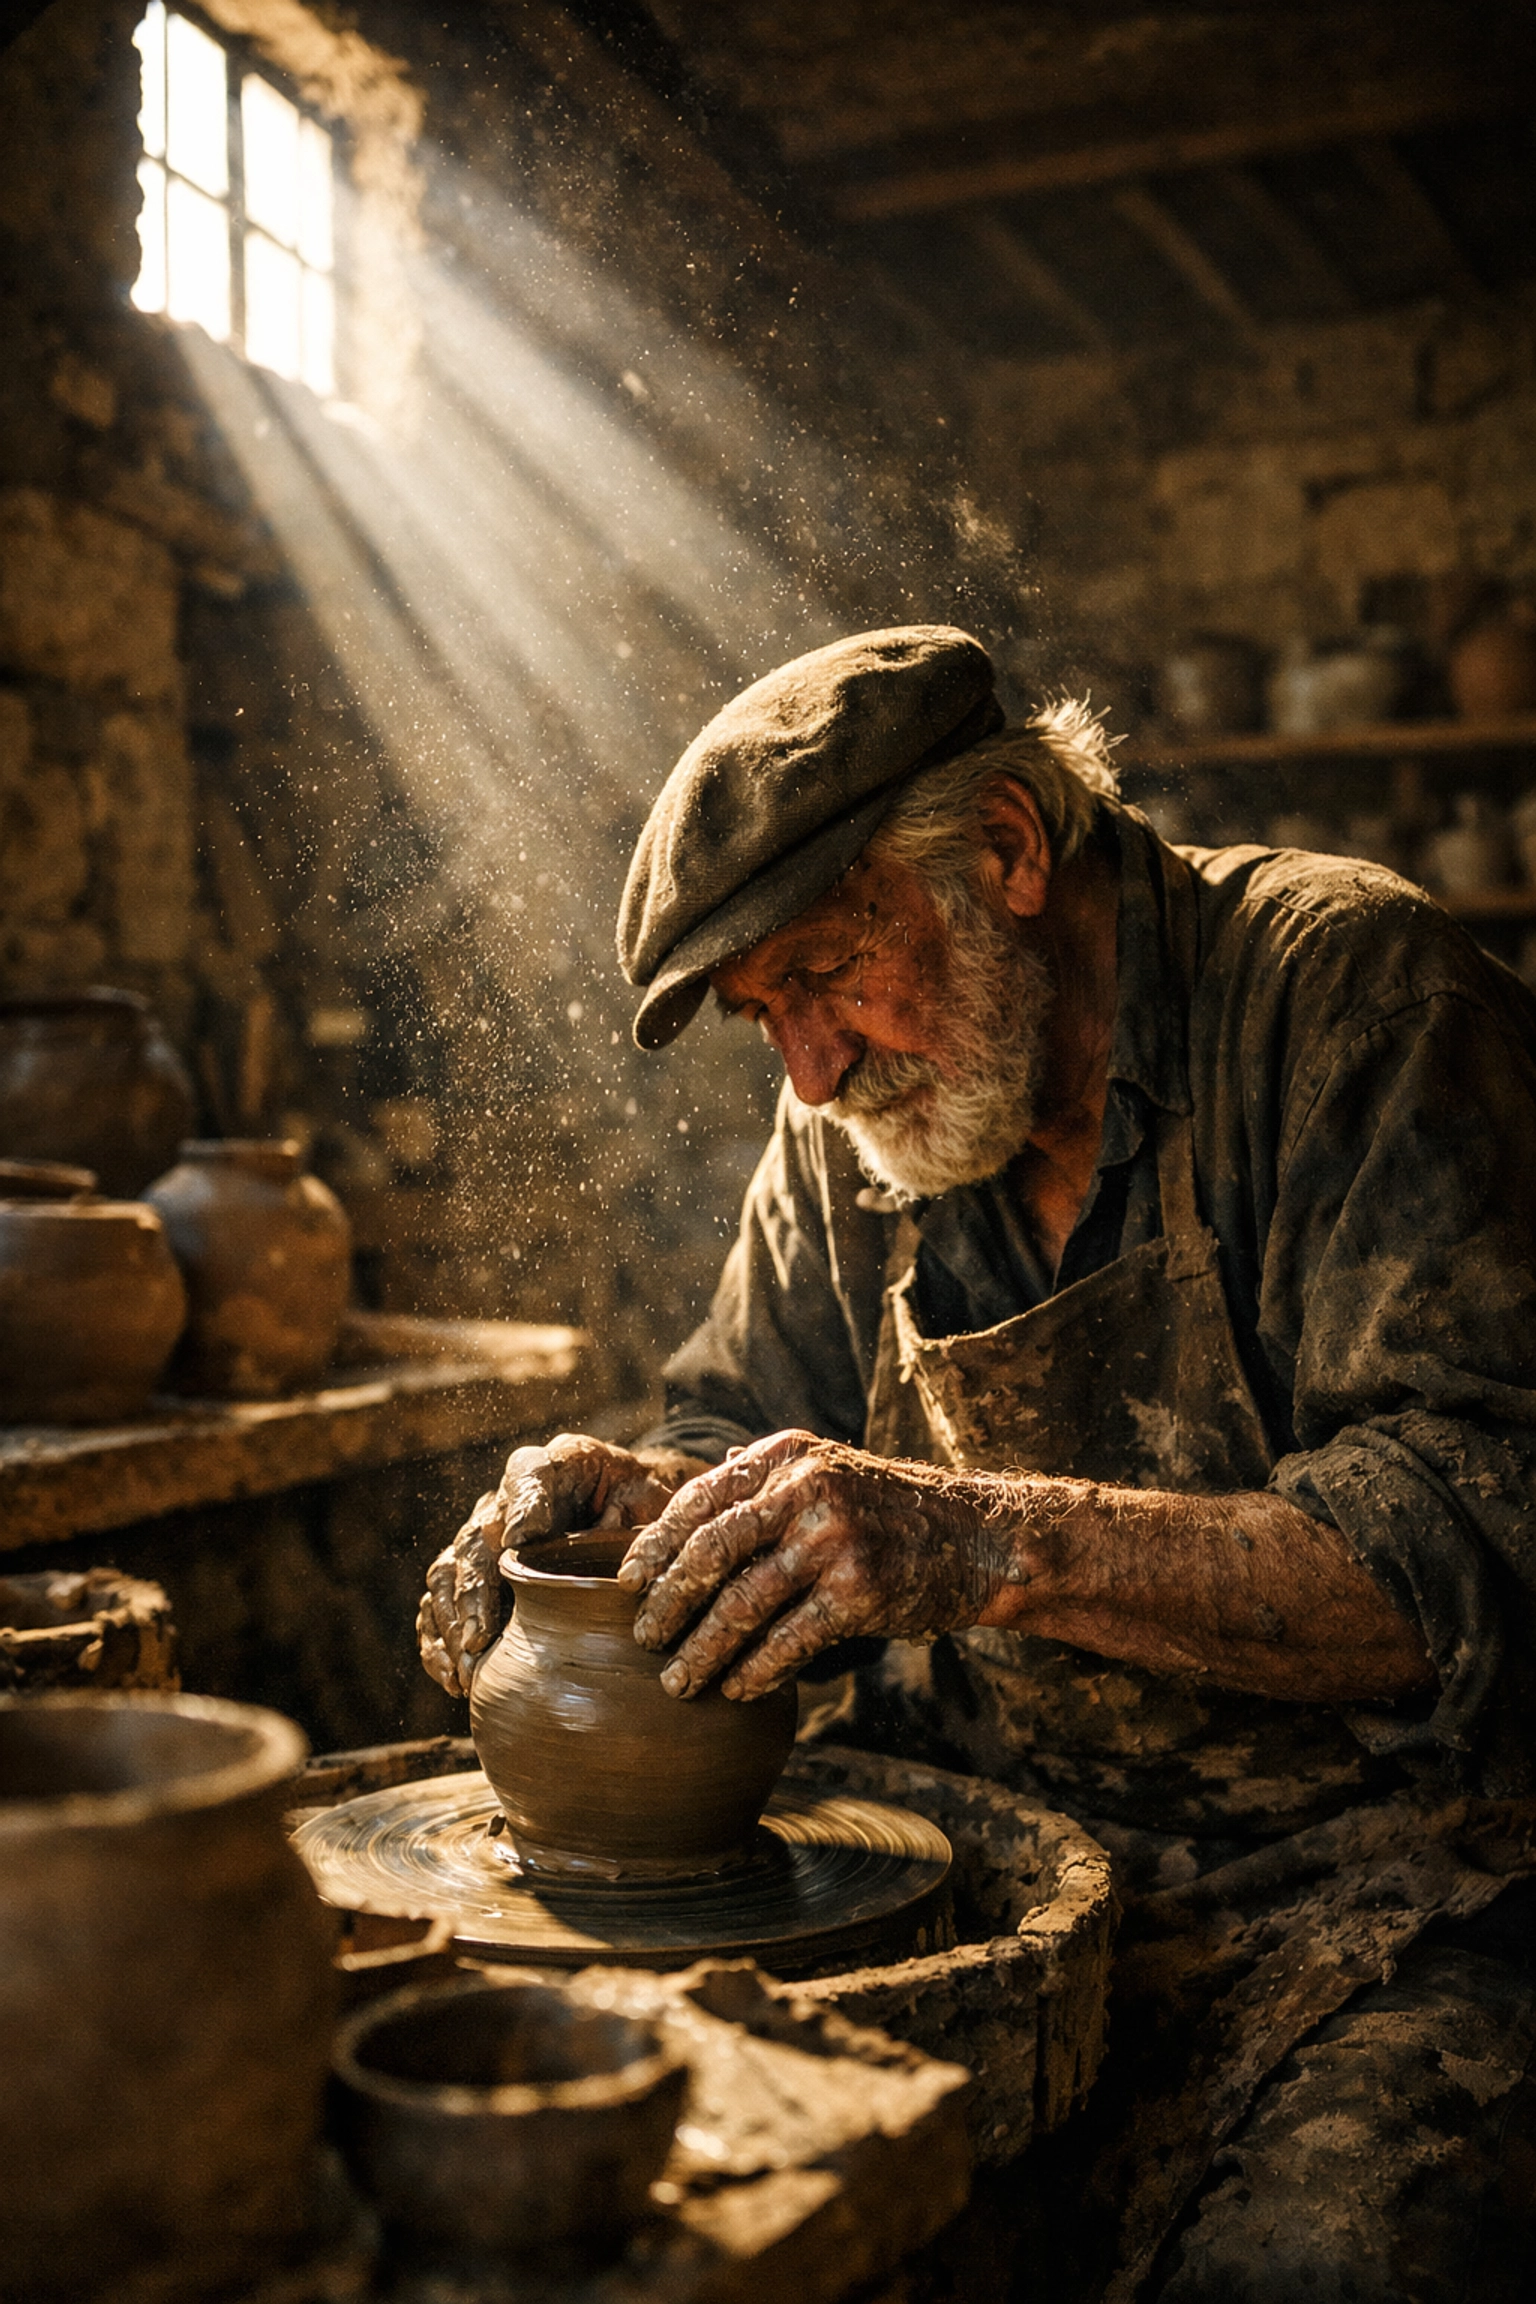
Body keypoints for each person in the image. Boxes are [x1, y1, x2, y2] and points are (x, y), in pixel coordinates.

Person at [419, 628, 1536, 2301]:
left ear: (1009, 848)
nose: (807, 1072)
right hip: (995, 1858)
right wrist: (652, 1496)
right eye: (762, 1018)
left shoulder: (1351, 1001)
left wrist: (984, 1546)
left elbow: (1475, 1550)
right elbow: (734, 1420)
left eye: (822, 972)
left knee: (1319, 2263)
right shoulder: (850, 1124)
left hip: (1375, 1885)